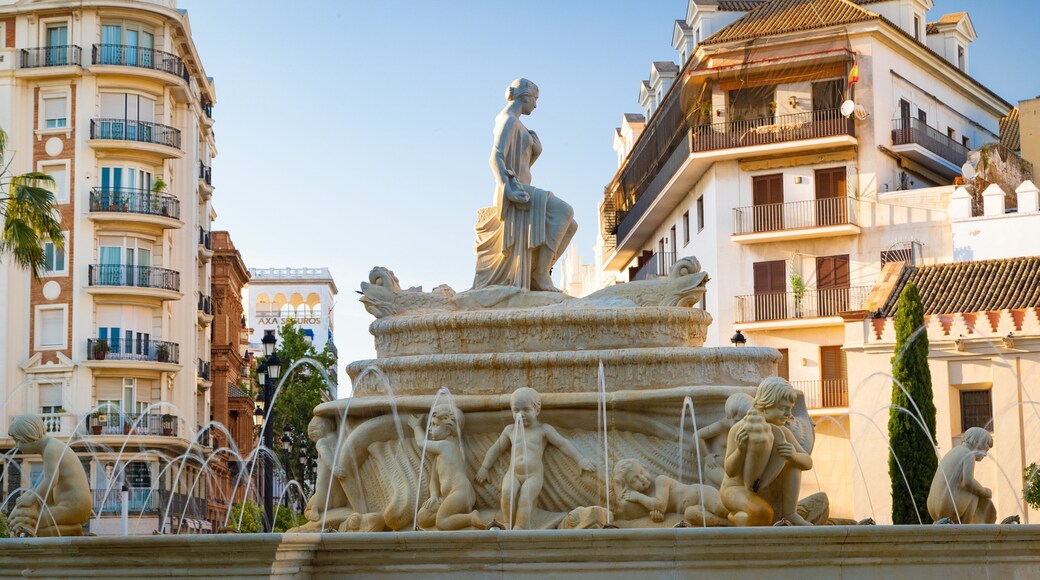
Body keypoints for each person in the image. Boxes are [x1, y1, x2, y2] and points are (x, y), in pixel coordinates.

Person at [473, 78, 578, 292]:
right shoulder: (508, 120)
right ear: (526, 97)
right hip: (513, 190)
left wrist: (535, 153)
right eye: (535, 100)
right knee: (565, 211)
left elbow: (520, 163)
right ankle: (540, 275)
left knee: (571, 225)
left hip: (522, 189)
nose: (536, 105)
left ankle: (539, 271)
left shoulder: (518, 123)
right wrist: (507, 186)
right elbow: (495, 157)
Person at [476, 387, 595, 529]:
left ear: (537, 410)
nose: (521, 415)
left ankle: (519, 527)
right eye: (516, 410)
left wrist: (580, 460)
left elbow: (563, 444)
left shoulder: (543, 430)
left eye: (526, 410)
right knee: (506, 493)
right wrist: (485, 467)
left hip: (533, 475)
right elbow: (496, 449)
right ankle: (507, 524)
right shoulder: (510, 430)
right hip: (513, 473)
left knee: (526, 498)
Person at [720, 378, 813, 526]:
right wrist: (740, 450)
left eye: (790, 408)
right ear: (766, 405)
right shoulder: (739, 429)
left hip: (762, 489)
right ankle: (730, 518)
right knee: (762, 514)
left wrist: (793, 456)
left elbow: (808, 462)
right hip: (735, 489)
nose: (789, 414)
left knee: (794, 462)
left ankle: (790, 513)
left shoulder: (783, 432)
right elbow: (730, 471)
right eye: (783, 408)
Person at [7, 414, 92, 537]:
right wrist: (28, 497)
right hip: (66, 504)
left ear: (30, 436)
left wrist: (31, 499)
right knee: (28, 523)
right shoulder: (51, 446)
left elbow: (51, 480)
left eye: (18, 440)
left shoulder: (51, 449)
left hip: (74, 507)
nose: (16, 446)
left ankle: (74, 530)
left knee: (31, 527)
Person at [408, 404, 483, 530]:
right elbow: (434, 480)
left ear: (448, 430)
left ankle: (471, 518)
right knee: (422, 517)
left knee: (441, 523)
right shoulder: (438, 456)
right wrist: (434, 495)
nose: (430, 429)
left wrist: (416, 427)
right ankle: (451, 515)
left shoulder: (446, 446)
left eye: (435, 425)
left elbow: (421, 443)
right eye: (431, 424)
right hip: (447, 496)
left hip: (461, 492)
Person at [612, 458, 730, 527]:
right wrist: (656, 515)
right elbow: (623, 504)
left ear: (645, 468)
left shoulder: (660, 480)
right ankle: (729, 524)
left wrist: (638, 497)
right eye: (634, 479)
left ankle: (739, 513)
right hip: (693, 507)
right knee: (691, 515)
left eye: (641, 472)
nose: (642, 478)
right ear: (630, 487)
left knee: (720, 508)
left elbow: (660, 505)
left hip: (701, 494)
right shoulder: (648, 500)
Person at [926, 426, 996, 524]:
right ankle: (965, 529)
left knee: (973, 492)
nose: (985, 454)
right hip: (946, 507)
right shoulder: (969, 455)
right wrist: (985, 492)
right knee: (974, 494)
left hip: (932, 507)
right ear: (978, 443)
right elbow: (968, 482)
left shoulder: (954, 451)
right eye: (985, 449)